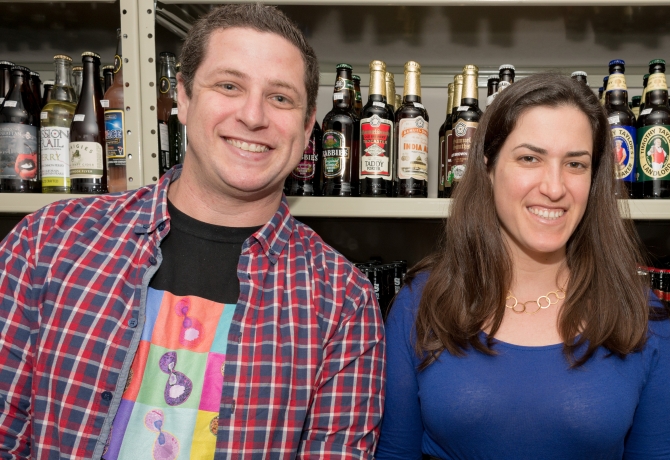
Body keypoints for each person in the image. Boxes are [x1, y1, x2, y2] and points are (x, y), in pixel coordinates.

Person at [0, 5, 384, 459]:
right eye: (228, 85)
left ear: (305, 128)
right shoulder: (47, 242)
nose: (253, 115)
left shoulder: (343, 300)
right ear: (182, 97)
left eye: (280, 97)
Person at [377, 73, 670, 460]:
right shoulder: (421, 303)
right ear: (488, 166)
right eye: (529, 158)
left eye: (575, 164)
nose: (554, 187)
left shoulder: (640, 317)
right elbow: (394, 452)